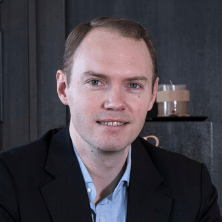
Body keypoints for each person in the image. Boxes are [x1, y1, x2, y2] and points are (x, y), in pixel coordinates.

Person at [0, 17, 221, 222]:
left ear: (152, 94)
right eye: (96, 82)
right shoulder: (7, 182)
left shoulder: (193, 188)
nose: (115, 103)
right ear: (63, 88)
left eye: (133, 85)